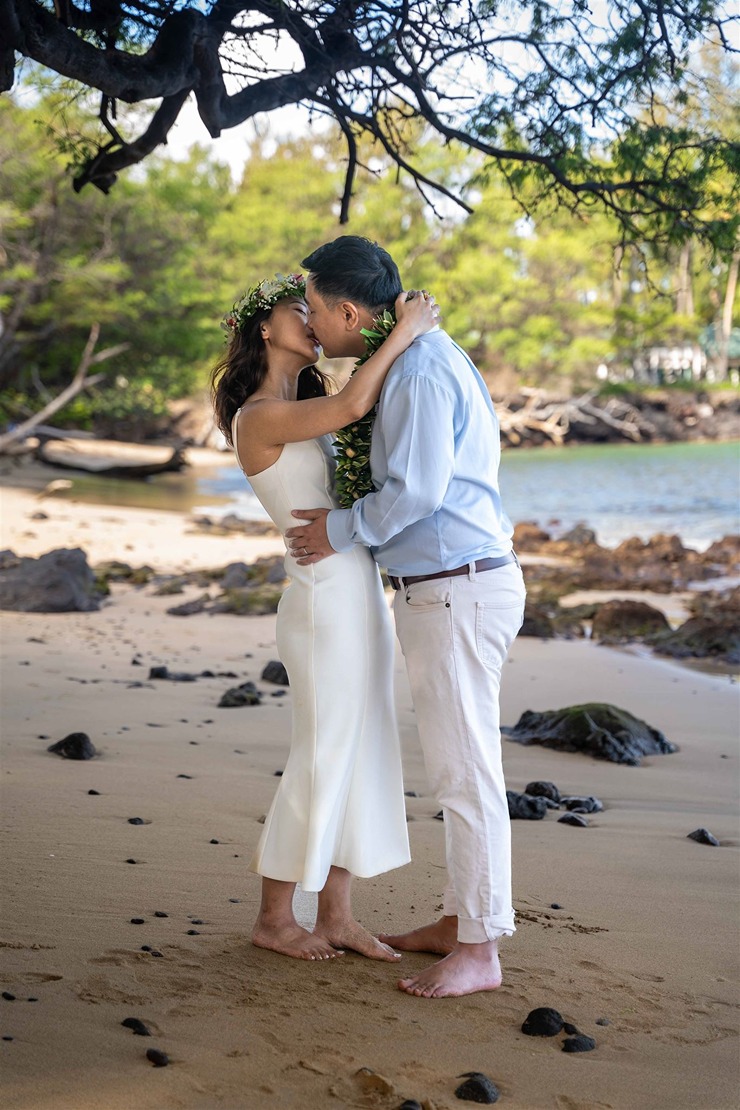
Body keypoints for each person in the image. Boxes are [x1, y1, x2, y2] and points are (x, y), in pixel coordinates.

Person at [285, 237, 526, 998]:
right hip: (452, 584)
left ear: (350, 310)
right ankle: (462, 921)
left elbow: (416, 493)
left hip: (456, 588)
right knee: (460, 767)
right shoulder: (419, 352)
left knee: (466, 775)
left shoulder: (418, 369)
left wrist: (340, 529)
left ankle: (482, 948)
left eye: (317, 310)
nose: (314, 325)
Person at [211, 271, 440, 963]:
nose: (312, 321)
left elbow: (354, 420)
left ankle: (336, 913)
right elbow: (350, 405)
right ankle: (275, 917)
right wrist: (406, 330)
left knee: (364, 748)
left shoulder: (298, 404)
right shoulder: (257, 415)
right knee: (323, 752)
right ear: (264, 329)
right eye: (297, 311)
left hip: (357, 591)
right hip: (319, 602)